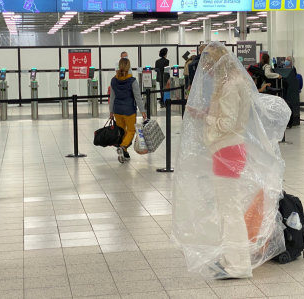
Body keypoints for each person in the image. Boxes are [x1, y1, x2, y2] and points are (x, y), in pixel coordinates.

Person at [172, 42, 290, 279]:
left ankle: (238, 265)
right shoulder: (235, 83)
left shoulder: (229, 87)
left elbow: (227, 123)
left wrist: (206, 117)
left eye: (207, 64)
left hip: (227, 151)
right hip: (229, 151)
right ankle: (231, 259)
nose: (204, 70)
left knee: (231, 211)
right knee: (228, 209)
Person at [109, 58, 147, 163]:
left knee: (122, 131)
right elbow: (138, 97)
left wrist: (111, 111)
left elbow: (112, 97)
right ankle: (123, 146)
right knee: (131, 131)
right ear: (129, 67)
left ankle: (124, 152)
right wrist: (142, 111)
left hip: (117, 110)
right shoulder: (132, 81)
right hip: (129, 110)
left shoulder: (113, 80)